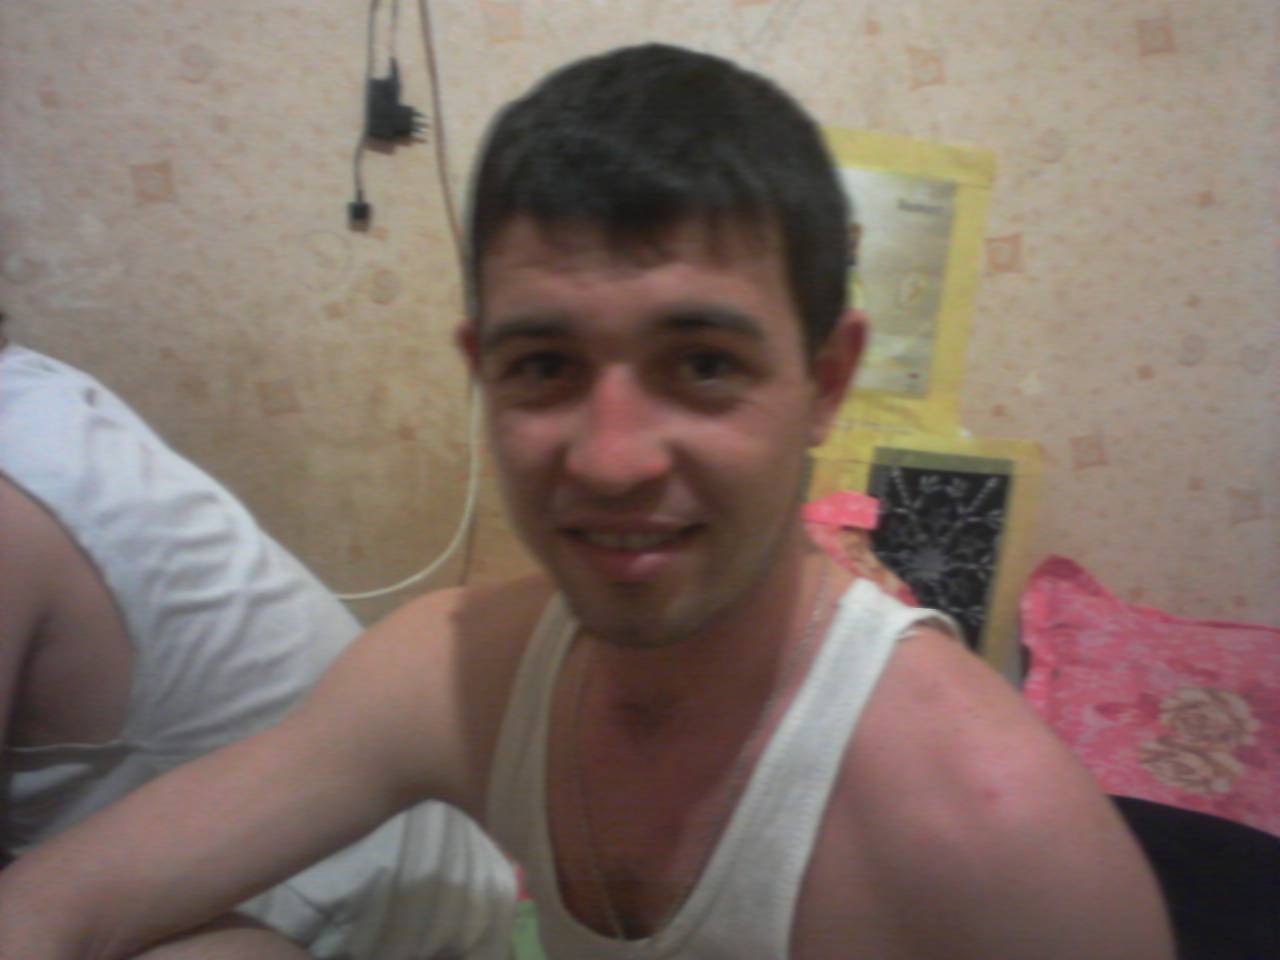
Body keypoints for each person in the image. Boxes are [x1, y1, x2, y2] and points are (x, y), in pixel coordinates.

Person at [0, 44, 1173, 959]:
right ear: (483, 372)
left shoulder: (996, 841)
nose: (610, 461)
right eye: (546, 366)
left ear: (824, 381)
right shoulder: (455, 674)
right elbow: (67, 899)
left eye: (702, 364)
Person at [0, 329, 517, 958]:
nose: (608, 459)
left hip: (377, 926)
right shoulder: (33, 394)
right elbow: (49, 906)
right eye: (543, 367)